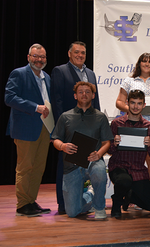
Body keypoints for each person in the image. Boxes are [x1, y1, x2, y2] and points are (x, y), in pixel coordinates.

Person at [51, 41, 101, 214]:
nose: (80, 55)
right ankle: (63, 203)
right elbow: (56, 100)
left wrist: (99, 124)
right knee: (65, 163)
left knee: (86, 162)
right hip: (69, 126)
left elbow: (96, 101)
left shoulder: (91, 74)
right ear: (69, 54)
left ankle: (84, 198)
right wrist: (63, 126)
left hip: (90, 125)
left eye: (83, 53)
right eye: (77, 52)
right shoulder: (60, 71)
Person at [52, 81, 113, 219]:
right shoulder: (65, 117)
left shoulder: (100, 117)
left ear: (93, 95)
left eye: (87, 92)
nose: (84, 94)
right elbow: (55, 140)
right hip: (71, 166)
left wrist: (98, 154)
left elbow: (106, 143)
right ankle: (90, 194)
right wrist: (63, 146)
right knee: (72, 212)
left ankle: (99, 208)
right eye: (80, 92)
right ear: (75, 96)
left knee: (99, 171)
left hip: (93, 161)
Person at [4, 43, 52, 216]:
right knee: (25, 168)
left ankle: (31, 201)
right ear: (28, 57)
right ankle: (22, 204)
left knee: (38, 168)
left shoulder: (46, 77)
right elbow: (9, 98)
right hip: (25, 129)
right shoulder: (19, 73)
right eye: (35, 56)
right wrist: (35, 107)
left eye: (42, 57)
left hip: (44, 129)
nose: (39, 60)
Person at [115, 53, 150, 184]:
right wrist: (133, 109)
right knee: (134, 160)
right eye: (144, 61)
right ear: (139, 63)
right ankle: (135, 195)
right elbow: (119, 102)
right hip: (135, 125)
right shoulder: (129, 81)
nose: (147, 64)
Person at [108, 90, 150, 218]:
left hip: (138, 170)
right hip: (119, 167)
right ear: (127, 103)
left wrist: (149, 145)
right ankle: (117, 203)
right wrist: (114, 143)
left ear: (144, 105)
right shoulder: (116, 123)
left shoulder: (149, 126)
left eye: (139, 103)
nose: (136, 106)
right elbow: (109, 150)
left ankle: (130, 196)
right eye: (133, 103)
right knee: (124, 181)